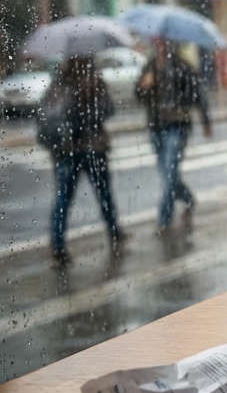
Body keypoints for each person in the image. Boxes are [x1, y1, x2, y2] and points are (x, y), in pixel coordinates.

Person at [39, 56, 123, 266]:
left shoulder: (67, 83)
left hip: (81, 150)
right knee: (72, 198)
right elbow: (51, 116)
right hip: (79, 149)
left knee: (93, 195)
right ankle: (60, 246)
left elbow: (108, 110)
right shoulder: (63, 84)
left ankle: (113, 233)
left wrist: (91, 94)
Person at [136, 38, 212, 231]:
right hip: (156, 126)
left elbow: (198, 94)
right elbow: (137, 95)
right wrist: (144, 86)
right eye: (158, 43)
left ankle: (164, 218)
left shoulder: (183, 66)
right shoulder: (150, 66)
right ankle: (187, 198)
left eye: (164, 43)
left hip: (177, 125)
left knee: (170, 172)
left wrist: (205, 120)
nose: (161, 46)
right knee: (167, 174)